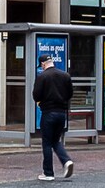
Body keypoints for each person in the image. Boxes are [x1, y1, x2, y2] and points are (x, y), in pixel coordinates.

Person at [32, 53, 75, 181]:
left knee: (46, 143)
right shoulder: (65, 75)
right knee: (56, 140)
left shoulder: (42, 77)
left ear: (43, 64)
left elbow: (36, 96)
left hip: (48, 113)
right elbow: (70, 94)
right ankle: (66, 161)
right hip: (62, 113)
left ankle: (48, 173)